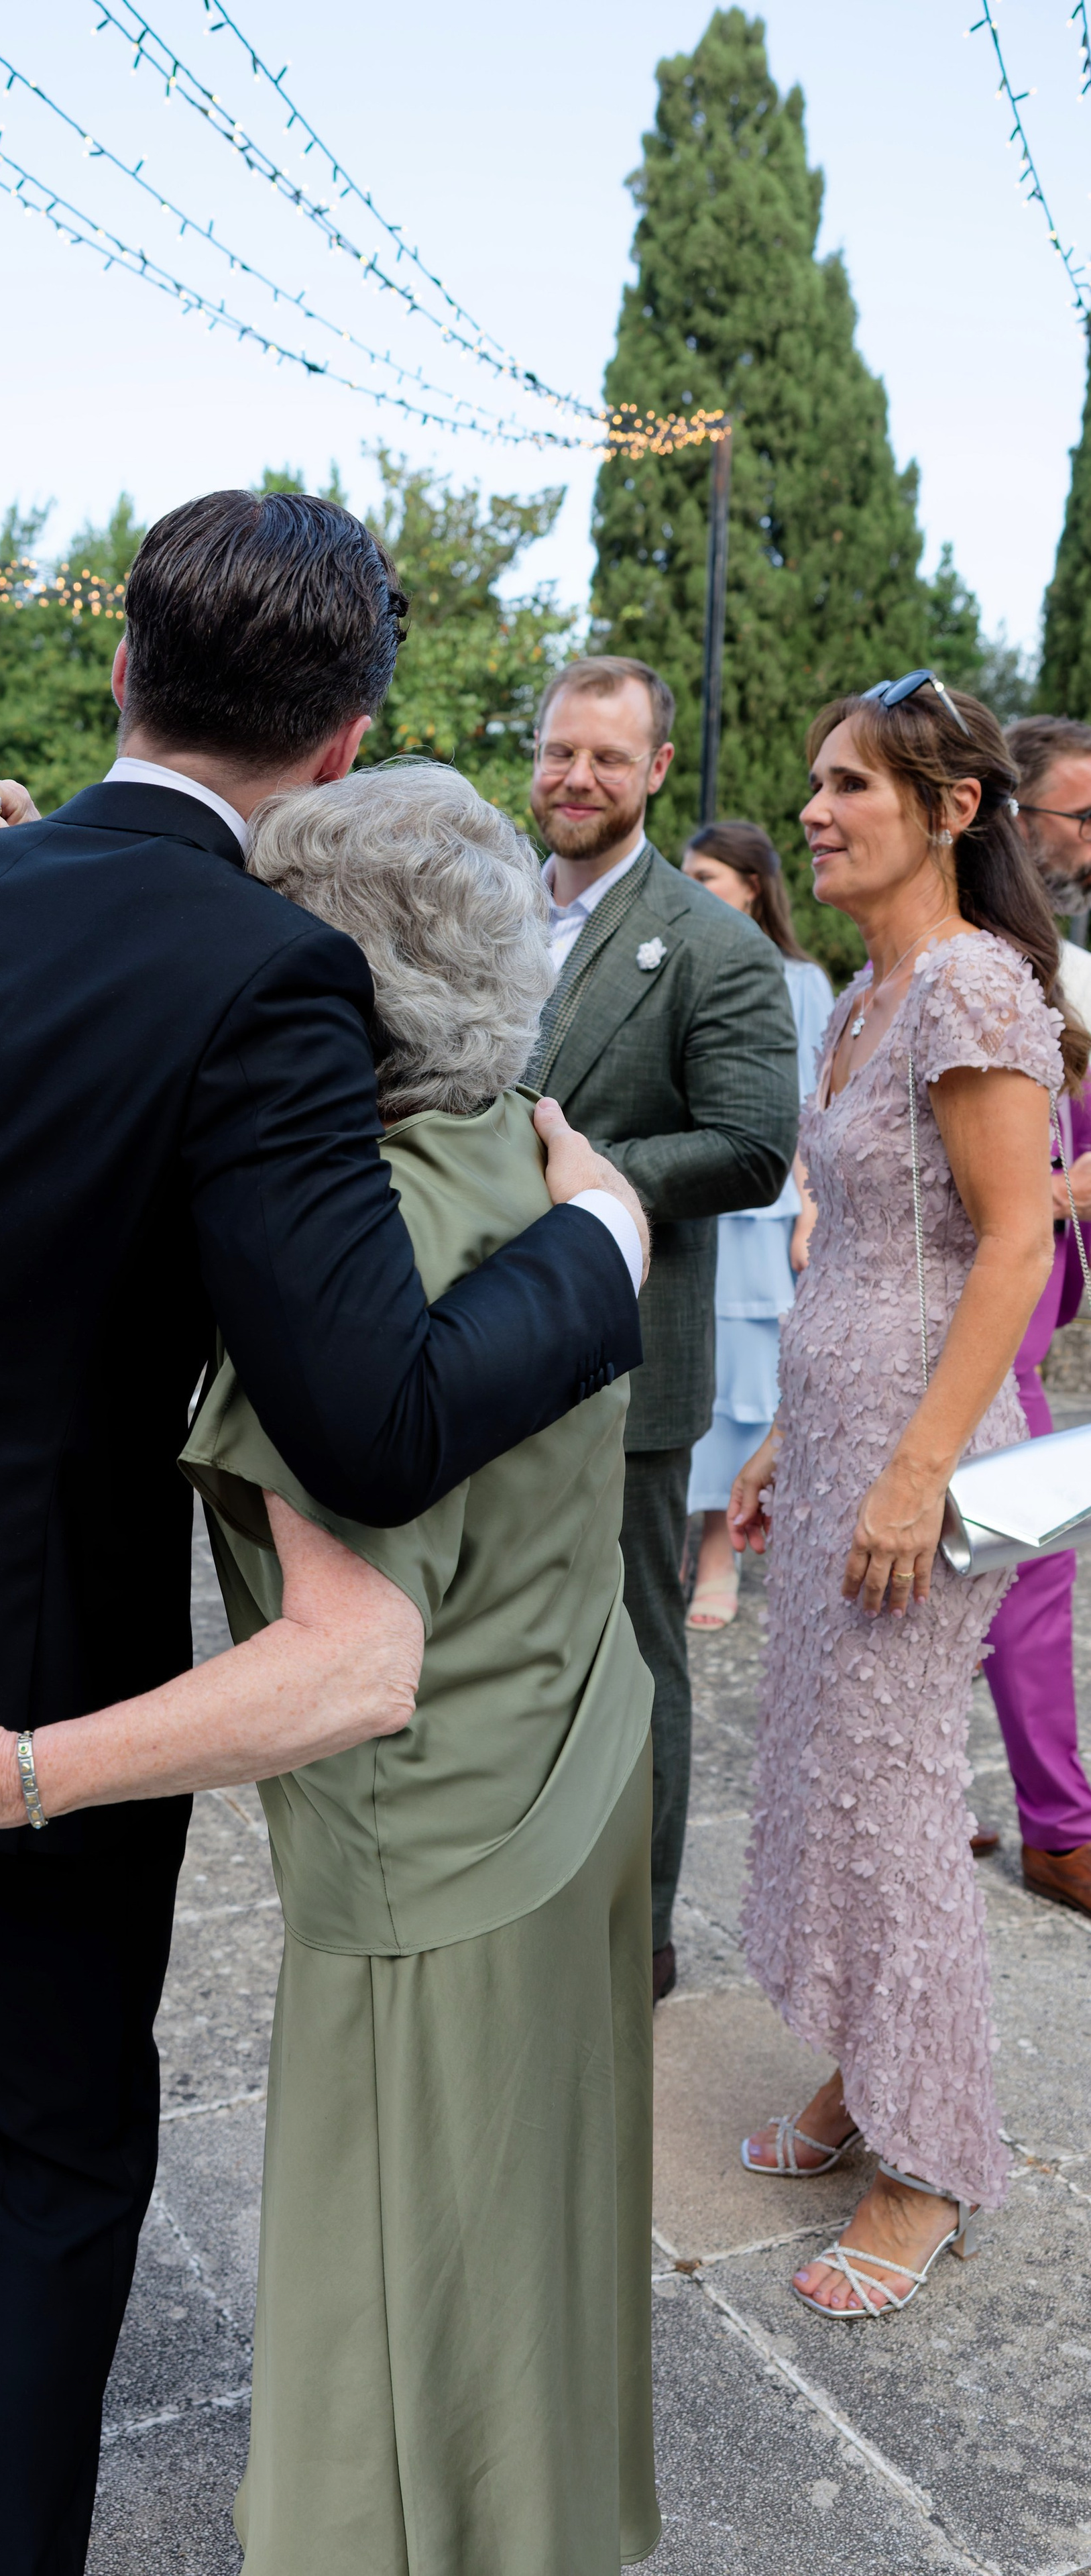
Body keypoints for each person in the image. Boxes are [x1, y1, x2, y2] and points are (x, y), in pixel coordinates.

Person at [0, 490, 648, 2576]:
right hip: (32, 1645)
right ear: (350, 735)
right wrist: (597, 1246)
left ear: (117, 671)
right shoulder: (269, 971)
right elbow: (372, 1418)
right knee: (63, 2149)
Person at [730, 672, 1080, 2317]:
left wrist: (910, 1467)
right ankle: (867, 2066)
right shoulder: (865, 992)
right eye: (810, 782)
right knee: (822, 1770)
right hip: (837, 1422)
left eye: (849, 784)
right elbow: (867, 1242)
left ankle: (930, 2158)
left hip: (919, 1450)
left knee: (891, 1792)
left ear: (949, 810)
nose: (814, 809)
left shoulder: (966, 989)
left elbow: (1013, 1242)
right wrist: (778, 1440)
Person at [524, 656, 800, 2002]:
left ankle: (631, 1935)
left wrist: (581, 1170)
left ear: (653, 771)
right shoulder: (488, 914)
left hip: (632, 1357)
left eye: (604, 758)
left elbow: (752, 1150)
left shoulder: (711, 943)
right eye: (555, 752)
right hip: (485, 1353)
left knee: (634, 1655)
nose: (574, 778)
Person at [975, 716, 1091, 1916]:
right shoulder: (992, 972)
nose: (1090, 841)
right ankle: (1057, 1829)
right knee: (1029, 1557)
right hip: (983, 1317)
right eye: (1080, 816)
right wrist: (1061, 1192)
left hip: (1035, 1315)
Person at [679, 823, 833, 1631]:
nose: (690, 887)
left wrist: (809, 1212)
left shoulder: (800, 979)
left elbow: (815, 1108)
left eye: (706, 875)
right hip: (680, 1197)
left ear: (750, 885)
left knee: (742, 1383)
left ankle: (716, 1549)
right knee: (678, 1366)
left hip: (761, 1209)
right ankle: (684, 1527)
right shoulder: (670, 957)